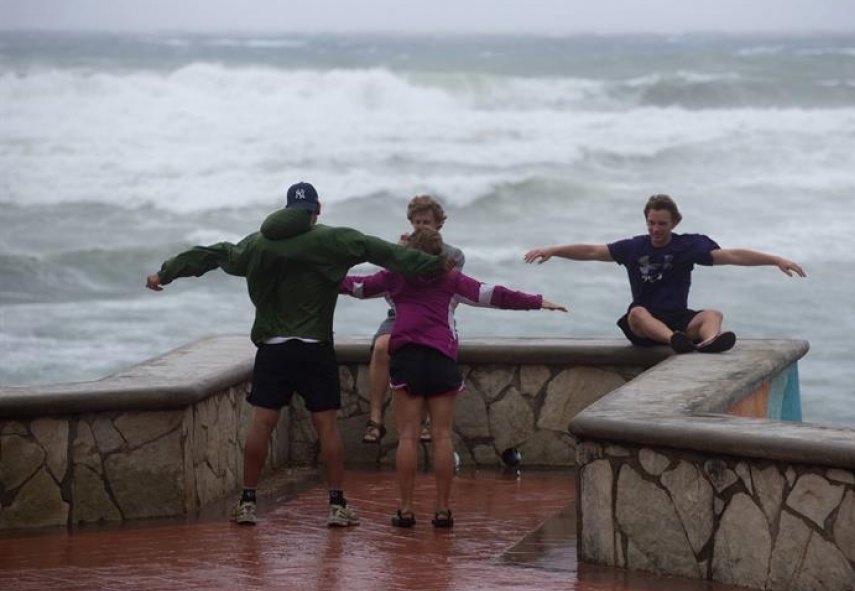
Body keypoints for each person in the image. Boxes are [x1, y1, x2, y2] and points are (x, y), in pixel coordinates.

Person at [144, 181, 452, 527]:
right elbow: (382, 251)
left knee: (263, 423)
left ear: (288, 210)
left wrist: (165, 273)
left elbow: (212, 254)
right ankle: (336, 505)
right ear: (315, 212)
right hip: (314, 347)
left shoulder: (256, 245)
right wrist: (431, 266)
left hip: (273, 348)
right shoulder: (333, 240)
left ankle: (247, 501)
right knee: (327, 426)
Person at [341, 228, 566, 528]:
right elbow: (495, 295)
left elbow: (355, 287)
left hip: (407, 357)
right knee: (442, 436)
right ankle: (443, 510)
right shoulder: (452, 280)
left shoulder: (394, 277)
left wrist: (316, 272)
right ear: (441, 255)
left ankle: (406, 509)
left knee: (407, 436)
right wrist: (537, 301)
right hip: (441, 357)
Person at [523, 193, 805, 353]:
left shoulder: (688, 246)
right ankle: (675, 342)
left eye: (662, 224)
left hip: (678, 319)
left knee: (713, 315)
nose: (656, 229)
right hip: (645, 324)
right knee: (637, 312)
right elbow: (592, 251)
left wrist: (775, 260)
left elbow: (731, 255)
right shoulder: (634, 247)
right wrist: (553, 249)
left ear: (674, 223)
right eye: (651, 223)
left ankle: (708, 342)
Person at [362, 195, 466, 445]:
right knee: (380, 347)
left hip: (437, 316)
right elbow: (386, 289)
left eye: (426, 222)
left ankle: (430, 422)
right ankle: (375, 419)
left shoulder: (454, 255)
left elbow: (451, 291)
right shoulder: (400, 250)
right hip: (399, 313)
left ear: (438, 224)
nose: (421, 227)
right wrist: (397, 253)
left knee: (440, 347)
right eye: (417, 222)